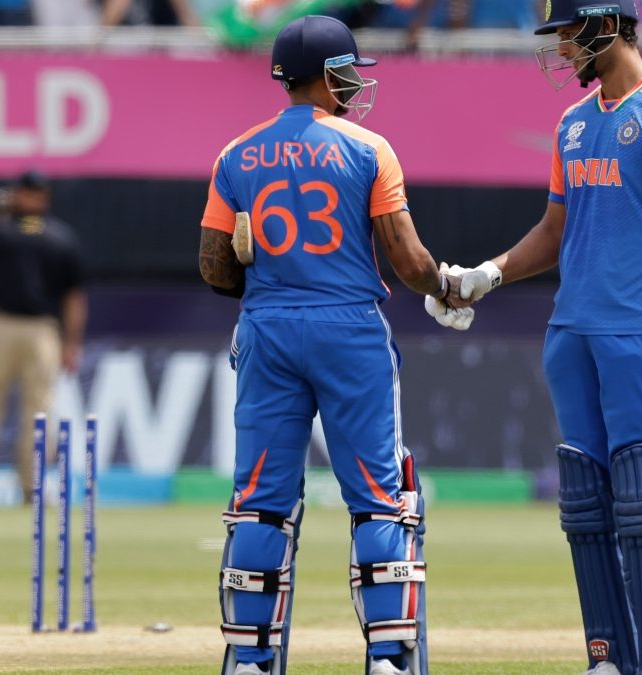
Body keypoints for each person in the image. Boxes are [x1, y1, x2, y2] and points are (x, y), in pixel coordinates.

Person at [444, 1, 642, 673]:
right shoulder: (571, 125)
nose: (561, 47)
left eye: (569, 32)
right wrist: (489, 273)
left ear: (609, 27)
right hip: (573, 330)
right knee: (588, 501)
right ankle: (609, 655)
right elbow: (555, 232)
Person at [198, 15, 471, 675]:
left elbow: (213, 268)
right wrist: (442, 287)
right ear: (325, 76)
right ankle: (388, 658)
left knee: (261, 500)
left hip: (268, 326)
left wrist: (259, 266)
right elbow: (405, 257)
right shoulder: (368, 148)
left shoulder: (237, 155)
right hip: (349, 328)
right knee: (379, 495)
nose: (353, 85)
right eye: (347, 73)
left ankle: (250, 660)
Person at [0, 170, 87, 505]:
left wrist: (71, 343)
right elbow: (73, 297)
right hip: (16, 327)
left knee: (35, 411)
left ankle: (29, 486)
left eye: (25, 193)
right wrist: (70, 342)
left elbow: (74, 297)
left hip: (28, 328)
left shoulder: (4, 229)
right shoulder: (57, 236)